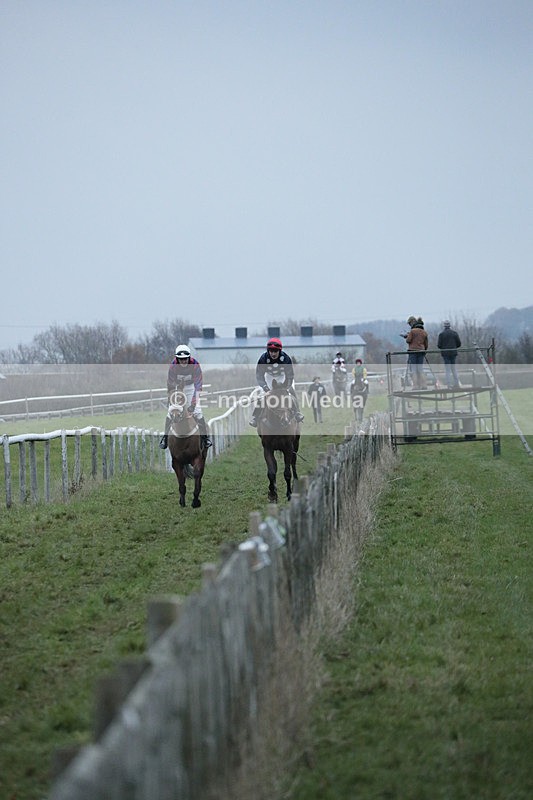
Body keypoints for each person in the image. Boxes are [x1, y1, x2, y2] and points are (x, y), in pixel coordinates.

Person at [159, 344, 212, 450]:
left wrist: (192, 404)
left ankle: (205, 439)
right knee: (170, 413)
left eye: (185, 359)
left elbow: (198, 386)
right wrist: (172, 399)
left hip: (191, 388)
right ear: (177, 358)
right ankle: (165, 438)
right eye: (181, 359)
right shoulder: (173, 366)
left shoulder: (195, 364)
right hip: (177, 388)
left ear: (189, 357)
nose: (183, 361)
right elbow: (170, 385)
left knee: (198, 412)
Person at [249, 337, 304, 426]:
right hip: (269, 377)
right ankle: (255, 417)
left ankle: (297, 413)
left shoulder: (285, 358)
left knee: (291, 393)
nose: (273, 354)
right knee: (262, 396)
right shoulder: (263, 359)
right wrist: (266, 389)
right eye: (271, 351)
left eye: (275, 351)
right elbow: (259, 376)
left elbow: (290, 375)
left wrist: (287, 387)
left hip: (283, 376)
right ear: (268, 351)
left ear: (279, 351)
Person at [402, 316, 428, 389]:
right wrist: (424, 350)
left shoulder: (412, 331)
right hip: (421, 351)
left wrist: (407, 336)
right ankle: (424, 385)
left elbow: (408, 340)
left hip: (413, 351)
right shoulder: (424, 332)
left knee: (413, 369)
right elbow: (426, 344)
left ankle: (415, 386)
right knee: (420, 369)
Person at [437, 320, 462, 388]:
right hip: (453, 353)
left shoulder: (441, 334)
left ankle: (449, 385)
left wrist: (444, 347)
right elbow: (459, 344)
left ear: (444, 326)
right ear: (450, 325)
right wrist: (454, 347)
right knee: (453, 368)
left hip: (445, 354)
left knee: (447, 369)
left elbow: (439, 345)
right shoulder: (454, 333)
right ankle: (457, 384)